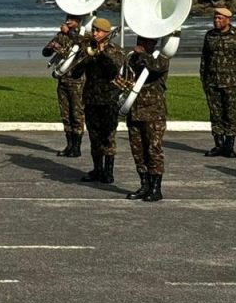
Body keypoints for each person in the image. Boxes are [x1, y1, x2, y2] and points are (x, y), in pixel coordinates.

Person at [70, 17, 124, 184]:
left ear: (107, 33)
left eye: (98, 31)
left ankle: (108, 172)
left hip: (109, 100)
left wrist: (100, 54)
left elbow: (112, 72)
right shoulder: (87, 49)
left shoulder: (115, 51)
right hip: (91, 99)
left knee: (108, 136)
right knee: (94, 137)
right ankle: (97, 169)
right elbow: (75, 73)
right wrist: (86, 57)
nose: (94, 33)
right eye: (93, 30)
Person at [200, 7, 236, 158]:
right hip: (212, 82)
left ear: (228, 20)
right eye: (215, 18)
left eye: (220, 18)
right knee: (215, 114)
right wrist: (203, 79)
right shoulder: (210, 36)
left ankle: (229, 145)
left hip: (231, 82)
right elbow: (205, 59)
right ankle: (219, 144)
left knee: (229, 113)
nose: (217, 21)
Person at [124, 36, 169, 202]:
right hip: (134, 110)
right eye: (140, 41)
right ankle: (144, 184)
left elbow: (154, 68)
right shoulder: (132, 58)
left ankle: (156, 188)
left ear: (154, 43)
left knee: (153, 150)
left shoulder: (162, 59)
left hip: (153, 112)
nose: (141, 45)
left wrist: (142, 54)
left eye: (146, 42)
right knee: (138, 151)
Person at [42, 14, 86, 157]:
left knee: (77, 114)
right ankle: (69, 145)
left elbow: (84, 45)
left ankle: (77, 147)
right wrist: (52, 47)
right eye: (67, 19)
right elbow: (45, 52)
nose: (68, 21)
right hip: (63, 79)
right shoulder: (61, 35)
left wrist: (70, 32)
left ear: (78, 21)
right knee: (65, 114)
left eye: (71, 19)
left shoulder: (84, 35)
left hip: (77, 81)